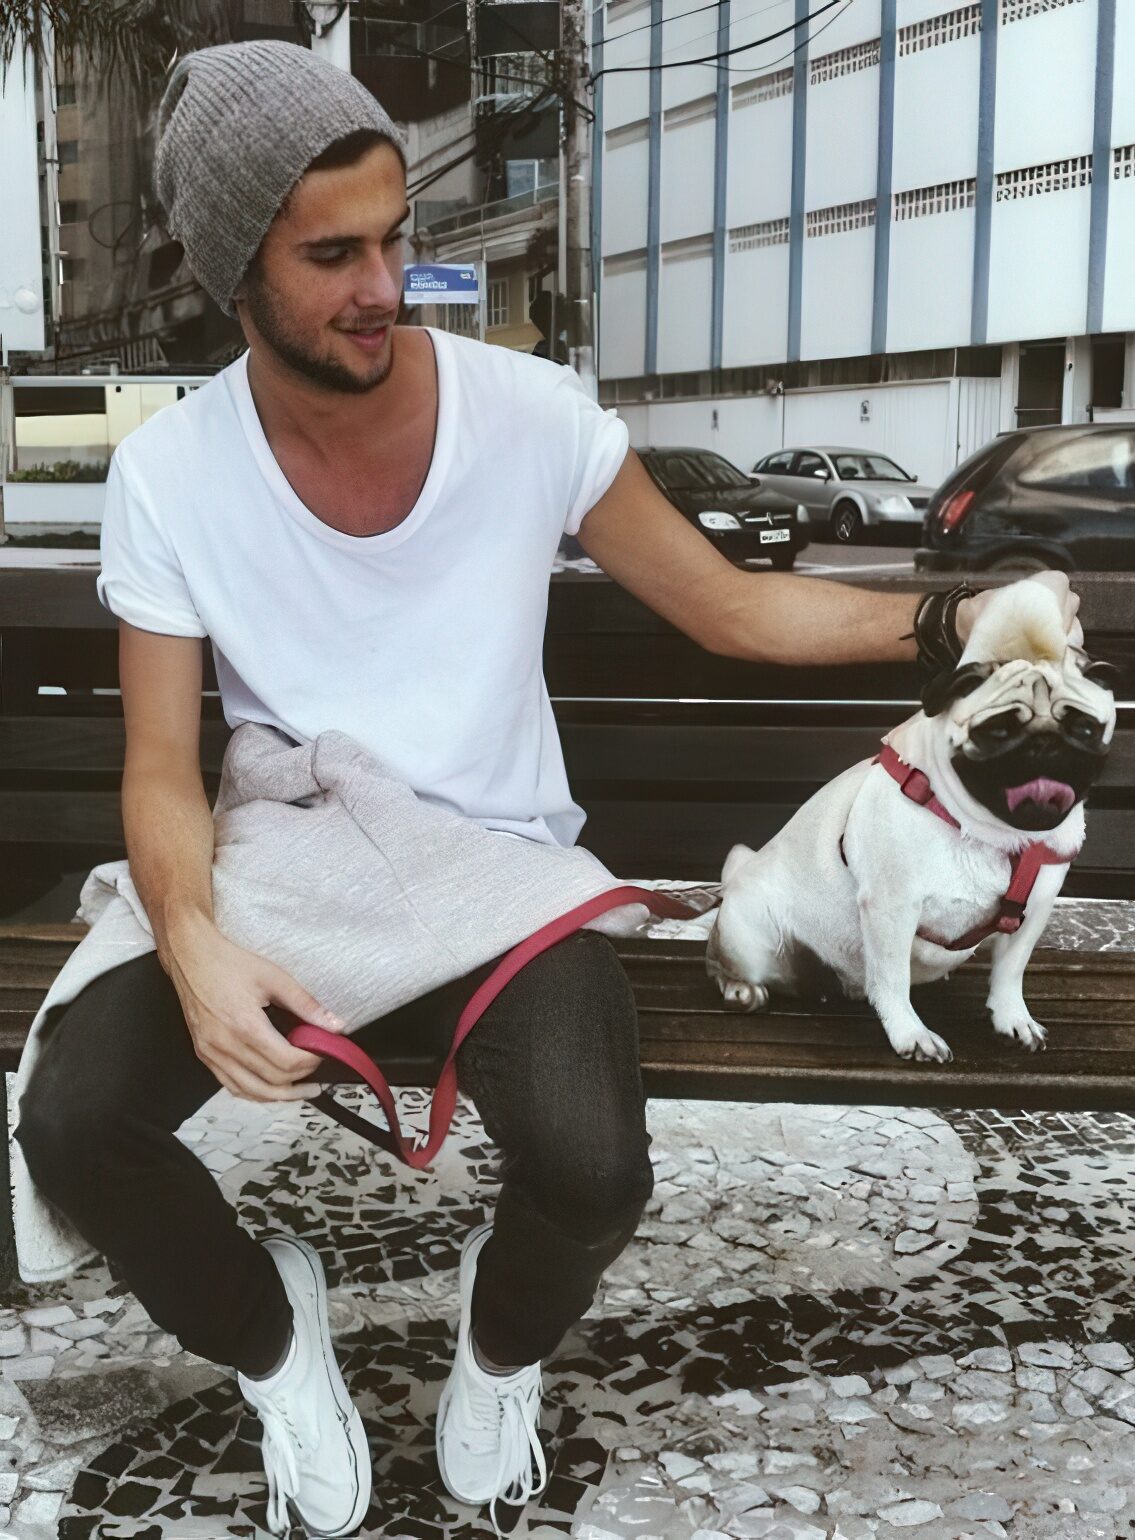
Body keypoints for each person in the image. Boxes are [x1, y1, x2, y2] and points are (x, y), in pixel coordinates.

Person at [12, 39, 1081, 1540]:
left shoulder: (525, 414)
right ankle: (274, 1345)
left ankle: (496, 1357)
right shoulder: (175, 474)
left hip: (501, 871)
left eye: (397, 239)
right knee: (71, 1122)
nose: (385, 286)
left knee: (592, 1166)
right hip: (289, 856)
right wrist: (188, 945)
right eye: (334, 255)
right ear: (227, 273)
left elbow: (727, 605)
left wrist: (947, 623)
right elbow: (157, 761)